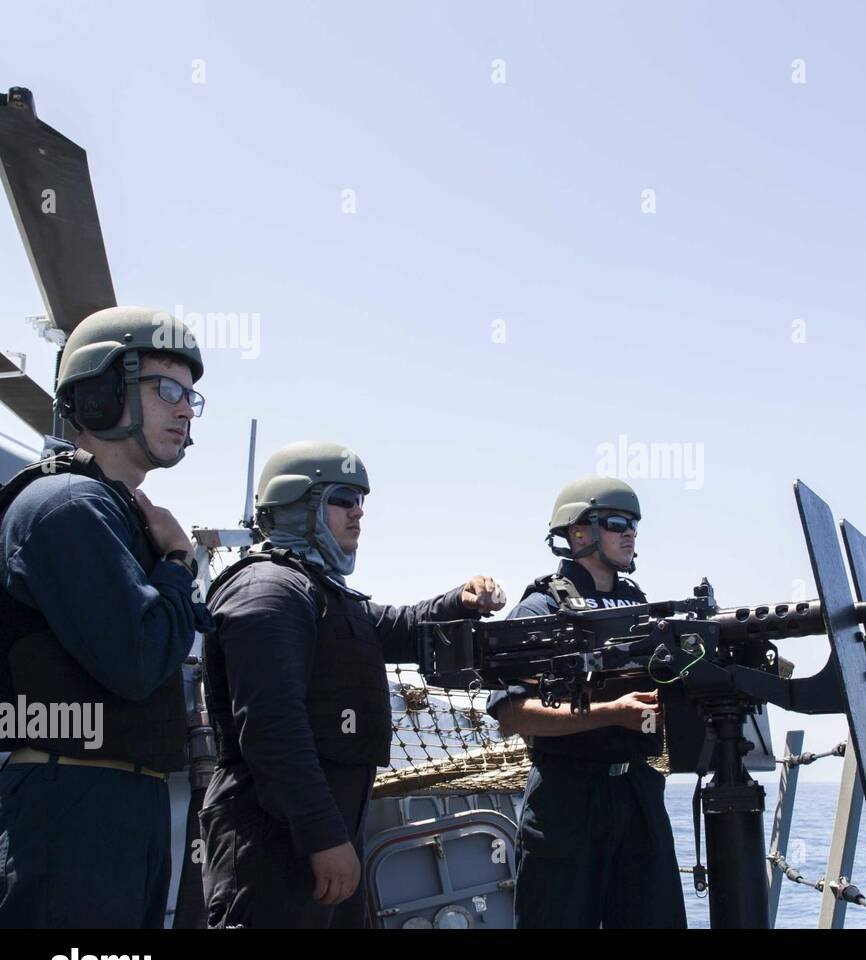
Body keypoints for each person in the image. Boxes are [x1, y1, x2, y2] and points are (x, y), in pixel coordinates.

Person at [199, 441, 506, 928]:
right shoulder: (268, 591)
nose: (359, 512)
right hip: (277, 840)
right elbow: (272, 730)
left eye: (361, 500)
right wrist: (322, 837)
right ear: (299, 505)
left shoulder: (325, 595)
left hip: (325, 832)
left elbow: (400, 626)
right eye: (342, 498)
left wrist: (460, 601)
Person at [0, 305, 211, 928]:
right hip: (73, 811)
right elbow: (140, 658)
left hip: (123, 804)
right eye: (167, 387)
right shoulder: (66, 506)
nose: (183, 409)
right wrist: (177, 560)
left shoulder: (111, 513)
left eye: (192, 397)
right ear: (102, 393)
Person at [487, 476, 687, 928]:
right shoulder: (538, 611)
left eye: (633, 523)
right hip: (567, 798)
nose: (630, 532)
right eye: (617, 522)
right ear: (579, 532)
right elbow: (511, 714)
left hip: (638, 793)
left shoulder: (641, 607)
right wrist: (612, 714)